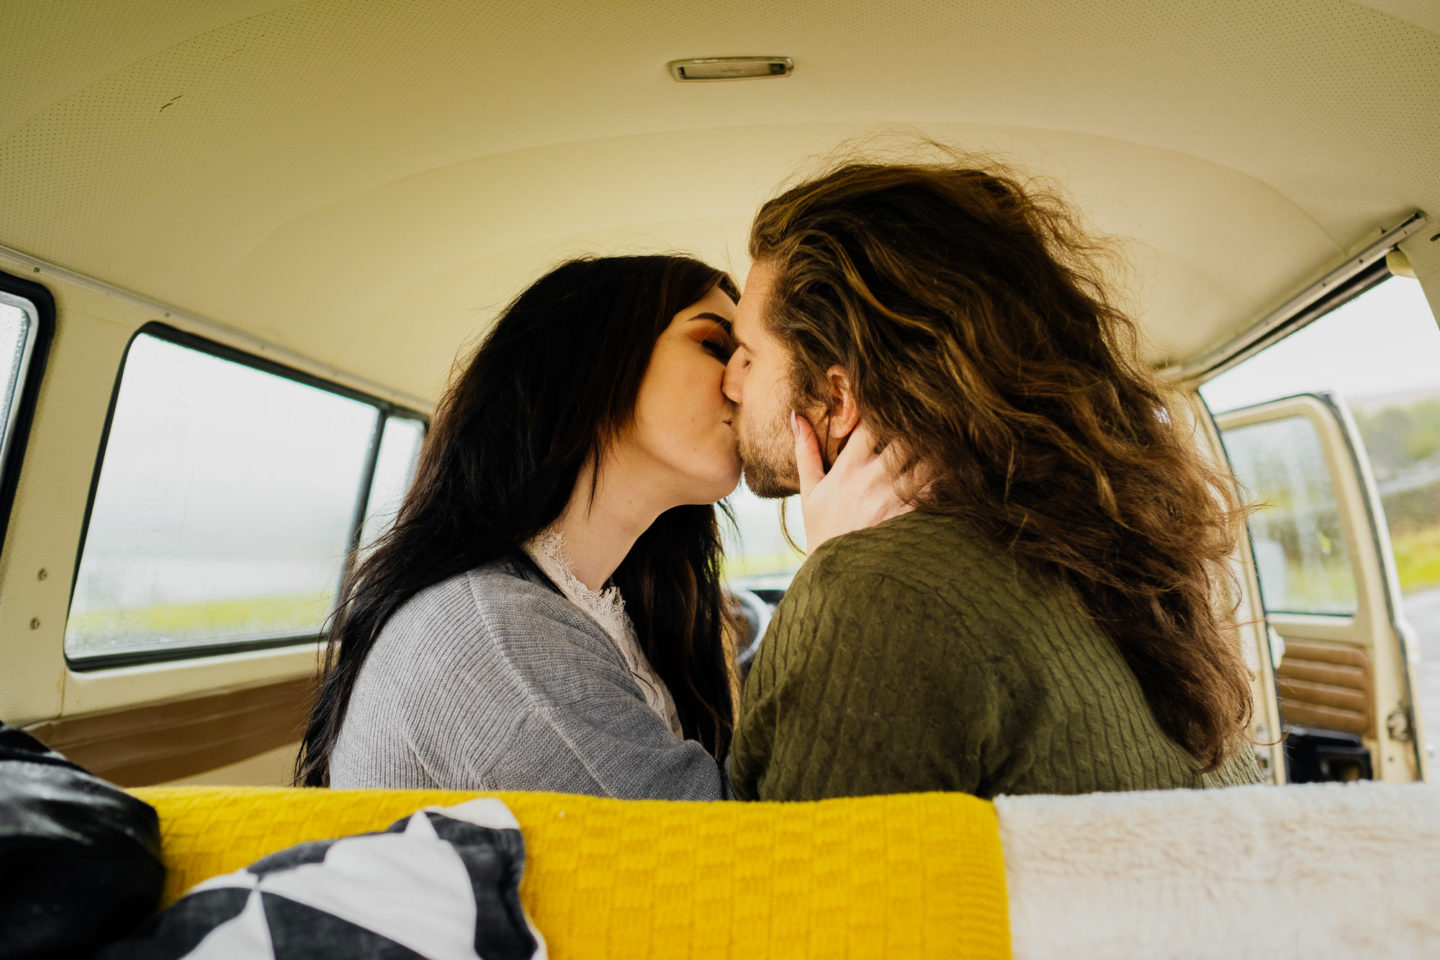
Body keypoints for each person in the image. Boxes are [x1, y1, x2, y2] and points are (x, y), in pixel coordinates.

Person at [724, 157, 1264, 801]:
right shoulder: (1115, 548)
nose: (730, 382)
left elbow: (812, 891)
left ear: (837, 398)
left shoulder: (876, 591)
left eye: (747, 356)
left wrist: (842, 568)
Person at [295, 255, 744, 799]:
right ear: (594, 361)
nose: (743, 380)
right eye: (716, 347)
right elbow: (725, 848)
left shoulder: (606, 611)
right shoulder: (490, 626)